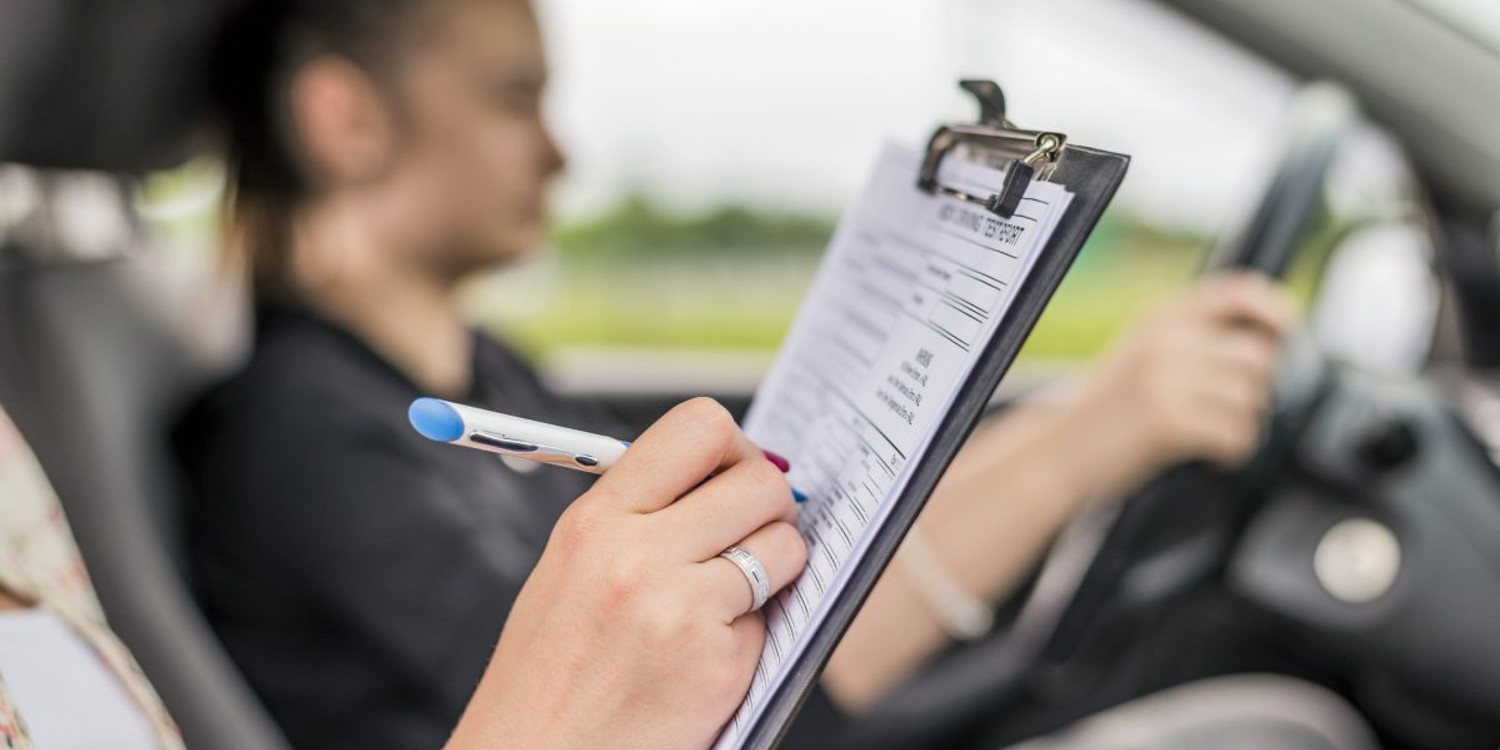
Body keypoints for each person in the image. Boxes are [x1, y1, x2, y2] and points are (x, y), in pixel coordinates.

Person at [173, 0, 1302, 748]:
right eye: (514, 98)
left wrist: (1101, 423)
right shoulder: (301, 446)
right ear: (347, 117)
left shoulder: (484, 369)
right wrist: (1094, 433)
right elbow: (717, 697)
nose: (559, 153)